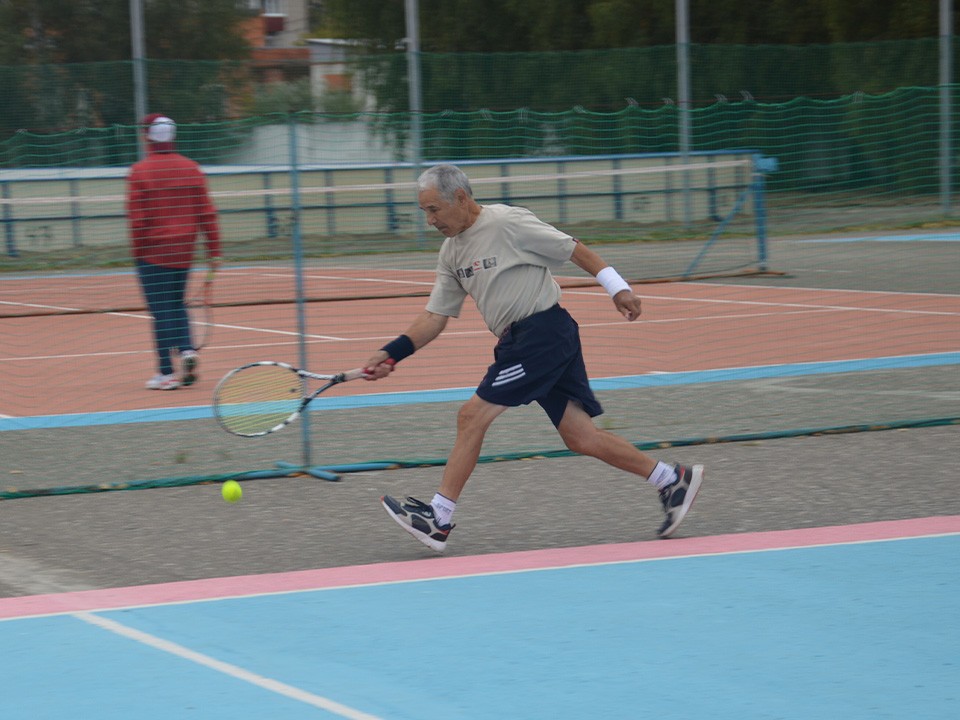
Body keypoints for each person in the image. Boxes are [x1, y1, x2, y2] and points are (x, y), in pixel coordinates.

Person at [364, 164, 704, 552]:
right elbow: (434, 317)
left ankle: (438, 518)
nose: (430, 220)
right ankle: (670, 479)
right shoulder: (450, 252)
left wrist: (618, 288)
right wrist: (391, 354)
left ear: (460, 197)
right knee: (580, 436)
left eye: (434, 209)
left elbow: (573, 248)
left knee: (471, 416)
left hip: (543, 333)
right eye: (424, 211)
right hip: (521, 340)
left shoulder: (507, 222)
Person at [127, 114, 221, 390]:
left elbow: (137, 219)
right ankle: (188, 350)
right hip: (184, 252)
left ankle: (166, 373)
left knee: (161, 311)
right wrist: (214, 250)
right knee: (176, 304)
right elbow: (207, 212)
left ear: (147, 137)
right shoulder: (192, 168)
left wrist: (139, 252)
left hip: (152, 254)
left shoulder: (140, 171)